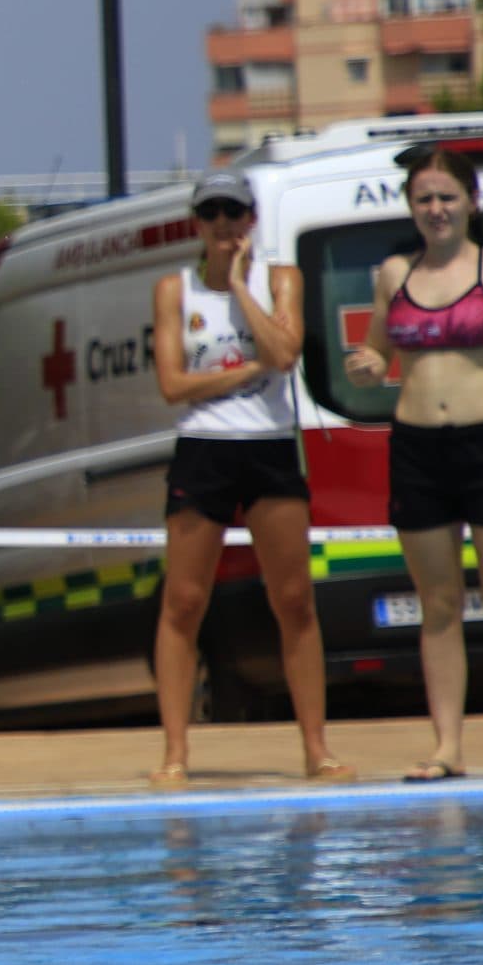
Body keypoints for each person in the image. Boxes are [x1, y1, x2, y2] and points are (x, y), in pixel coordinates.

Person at [347, 148, 483, 782]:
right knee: (438, 605)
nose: (436, 209)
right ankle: (446, 746)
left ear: (471, 202)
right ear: (410, 207)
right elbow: (376, 349)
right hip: (418, 446)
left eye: (447, 197)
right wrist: (368, 363)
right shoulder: (394, 273)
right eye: (424, 199)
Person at [148, 166, 349, 789]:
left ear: (251, 219)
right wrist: (245, 371)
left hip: (267, 446)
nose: (223, 227)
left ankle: (315, 748)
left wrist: (239, 288)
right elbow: (173, 386)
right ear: (197, 224)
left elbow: (286, 355)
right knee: (183, 601)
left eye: (233, 214)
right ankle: (176, 753)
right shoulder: (174, 290)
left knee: (293, 599)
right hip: (204, 449)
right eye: (211, 216)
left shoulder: (277, 279)